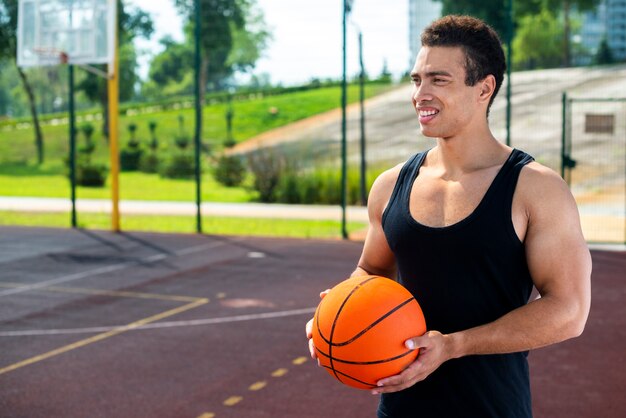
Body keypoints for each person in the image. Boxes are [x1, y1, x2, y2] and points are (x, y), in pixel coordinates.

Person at [306, 15, 591, 418]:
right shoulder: (390, 185)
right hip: (400, 408)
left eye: (438, 80)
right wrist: (334, 312)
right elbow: (370, 270)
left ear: (484, 88)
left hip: (492, 408)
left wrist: (453, 345)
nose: (420, 93)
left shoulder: (535, 188)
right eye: (416, 79)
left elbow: (569, 310)